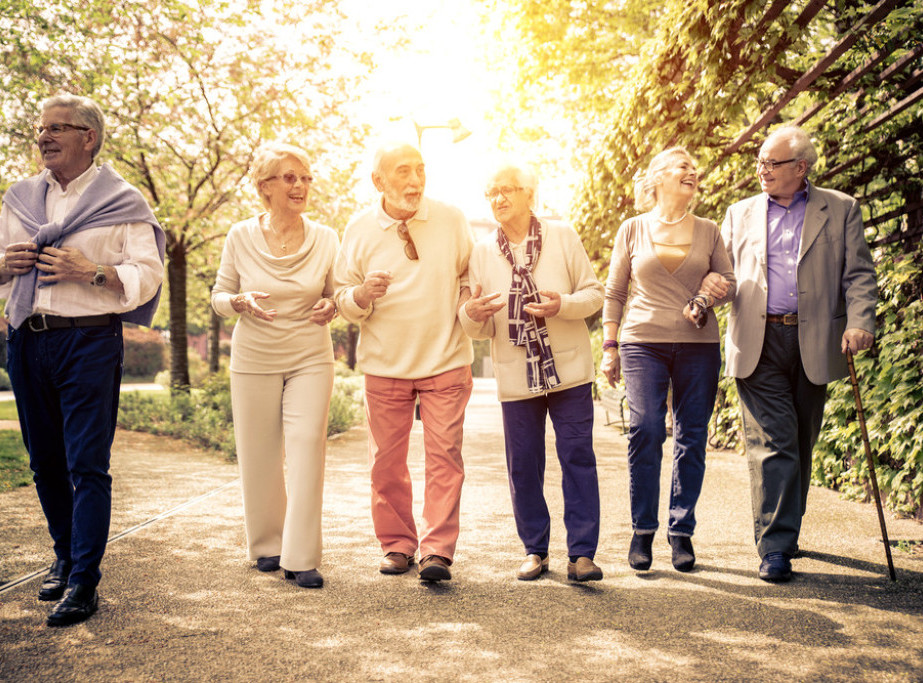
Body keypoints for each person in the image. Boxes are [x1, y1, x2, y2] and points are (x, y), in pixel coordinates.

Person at [0, 94, 165, 626]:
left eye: (55, 129)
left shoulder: (124, 200)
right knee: (43, 460)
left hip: (90, 341)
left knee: (86, 464)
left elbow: (148, 273)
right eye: (40, 129)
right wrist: (5, 266)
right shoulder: (19, 198)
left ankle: (83, 581)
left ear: (87, 137)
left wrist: (90, 271)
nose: (43, 138)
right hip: (28, 339)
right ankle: (64, 554)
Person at [721, 125, 877, 582]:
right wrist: (707, 291)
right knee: (774, 443)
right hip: (758, 339)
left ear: (801, 168)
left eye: (772, 163)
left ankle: (785, 528)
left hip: (815, 340)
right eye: (760, 161)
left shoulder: (841, 208)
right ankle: (775, 547)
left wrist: (860, 320)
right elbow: (724, 274)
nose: (761, 170)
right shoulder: (740, 213)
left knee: (801, 441)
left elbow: (859, 275)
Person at [333, 142, 473, 583]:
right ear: (379, 181)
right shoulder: (357, 229)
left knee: (445, 458)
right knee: (385, 463)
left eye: (420, 170)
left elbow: (470, 273)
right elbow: (340, 295)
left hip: (446, 358)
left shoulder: (451, 219)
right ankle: (397, 544)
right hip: (385, 364)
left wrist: (472, 305)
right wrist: (360, 296)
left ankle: (437, 551)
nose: (415, 181)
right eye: (403, 172)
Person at [461, 163, 605, 582]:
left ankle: (581, 554)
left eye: (506, 189)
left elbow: (594, 294)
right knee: (523, 463)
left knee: (577, 456)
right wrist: (470, 314)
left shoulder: (562, 235)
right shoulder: (482, 252)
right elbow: (480, 325)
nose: (498, 199)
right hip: (515, 372)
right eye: (491, 192)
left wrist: (563, 304)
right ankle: (534, 550)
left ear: (529, 193)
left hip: (569, 368)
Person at [601, 146, 735, 573]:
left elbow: (729, 282)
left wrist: (716, 286)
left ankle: (681, 532)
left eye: (694, 169)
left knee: (692, 436)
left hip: (698, 345)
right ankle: (643, 530)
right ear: (657, 178)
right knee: (645, 428)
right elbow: (615, 291)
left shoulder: (709, 230)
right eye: (682, 167)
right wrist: (609, 345)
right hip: (642, 341)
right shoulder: (632, 229)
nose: (691, 172)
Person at [211, 141, 338, 589]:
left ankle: (300, 556)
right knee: (259, 452)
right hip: (254, 357)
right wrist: (238, 302)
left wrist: (331, 306)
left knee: (306, 446)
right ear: (265, 187)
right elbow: (219, 296)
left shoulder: (325, 237)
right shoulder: (240, 236)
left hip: (309, 355)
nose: (300, 185)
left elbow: (335, 293)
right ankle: (267, 544)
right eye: (289, 178)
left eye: (305, 177)